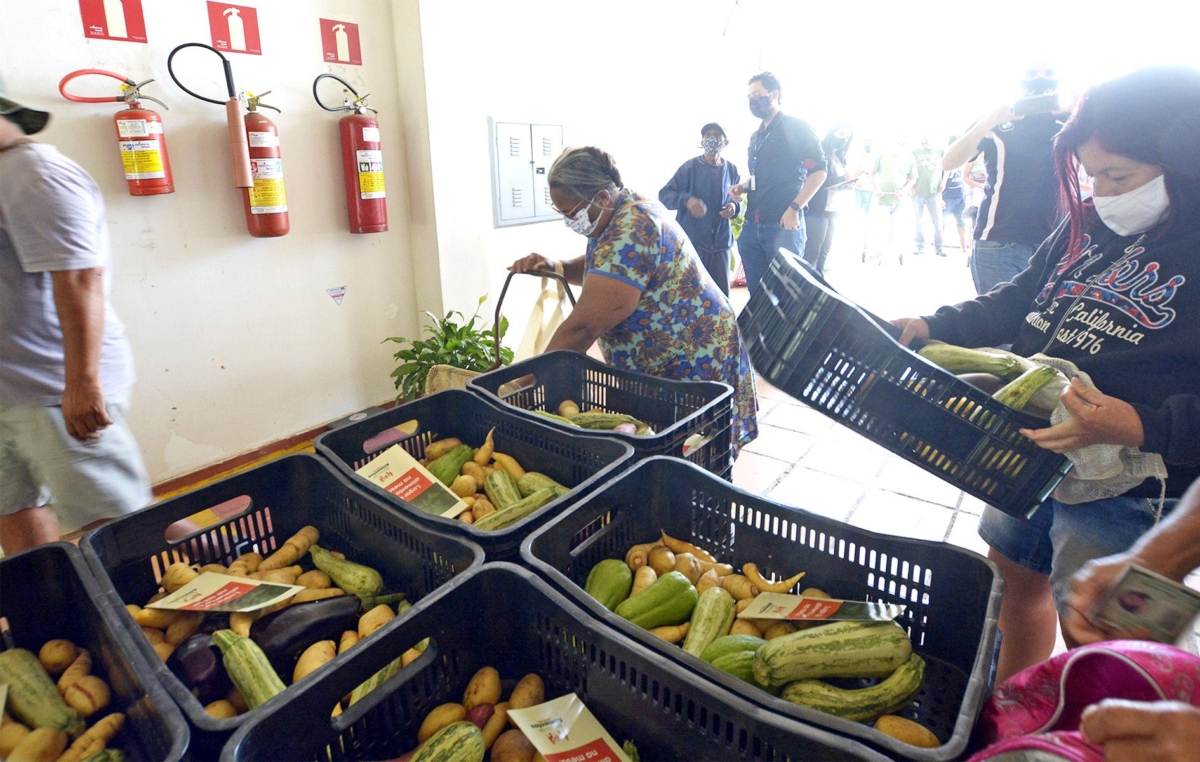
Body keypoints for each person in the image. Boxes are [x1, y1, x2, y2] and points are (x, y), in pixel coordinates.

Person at [890, 66, 1200, 685]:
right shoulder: (1090, 218)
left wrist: (1140, 423)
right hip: (1029, 451)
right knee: (1009, 583)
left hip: (1130, 487)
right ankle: (1010, 709)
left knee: (1104, 638)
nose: (1104, 192)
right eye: (1093, 175)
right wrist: (933, 324)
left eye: (1120, 175)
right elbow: (1021, 298)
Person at [509, 146, 758, 453]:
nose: (569, 221)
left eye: (572, 213)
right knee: (656, 453)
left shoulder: (634, 228)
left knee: (691, 456)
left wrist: (515, 386)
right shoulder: (618, 206)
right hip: (660, 360)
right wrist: (558, 267)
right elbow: (606, 267)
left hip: (691, 359)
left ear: (601, 197)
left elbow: (582, 329)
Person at [0, 79, 151, 554]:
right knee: (14, 511)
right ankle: (55, 613)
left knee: (121, 523)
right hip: (11, 389)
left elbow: (80, 277)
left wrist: (81, 384)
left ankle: (240, 584)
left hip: (54, 386)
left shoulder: (33, 172)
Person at [942, 66, 1064, 293]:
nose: (1040, 78)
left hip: (1058, 241)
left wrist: (1086, 116)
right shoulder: (997, 120)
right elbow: (949, 162)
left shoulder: (1071, 120)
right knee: (998, 324)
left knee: (1046, 324)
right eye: (1032, 72)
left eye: (1049, 72)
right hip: (999, 240)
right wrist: (986, 122)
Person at [729, 72, 827, 292]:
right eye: (749, 97)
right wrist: (743, 187)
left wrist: (795, 208)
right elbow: (759, 177)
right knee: (757, 294)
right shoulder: (756, 137)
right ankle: (757, 329)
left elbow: (819, 172)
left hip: (783, 226)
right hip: (751, 227)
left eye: (757, 94)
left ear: (774, 94)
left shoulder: (797, 127)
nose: (752, 101)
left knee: (786, 295)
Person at [658, 123, 741, 296]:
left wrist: (734, 207)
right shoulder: (689, 168)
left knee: (720, 296)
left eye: (717, 135)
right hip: (693, 243)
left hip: (721, 245)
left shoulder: (732, 170)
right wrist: (687, 200)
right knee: (690, 294)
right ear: (702, 141)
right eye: (708, 135)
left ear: (725, 142)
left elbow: (737, 200)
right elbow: (664, 195)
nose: (712, 139)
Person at [802, 123, 854, 277]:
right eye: (841, 134)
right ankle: (804, 291)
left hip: (833, 211)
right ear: (832, 132)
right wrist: (840, 180)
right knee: (812, 254)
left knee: (823, 255)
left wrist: (848, 184)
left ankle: (817, 289)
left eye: (847, 136)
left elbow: (836, 184)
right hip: (817, 211)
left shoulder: (840, 158)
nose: (844, 138)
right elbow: (817, 181)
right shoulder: (820, 154)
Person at [869, 137, 915, 260]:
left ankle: (898, 251)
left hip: (900, 200)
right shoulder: (882, 156)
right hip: (883, 198)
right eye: (898, 142)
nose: (900, 145)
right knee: (880, 227)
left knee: (898, 227)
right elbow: (872, 174)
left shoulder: (910, 158)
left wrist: (904, 190)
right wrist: (875, 189)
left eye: (902, 143)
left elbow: (913, 178)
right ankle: (878, 251)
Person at [911, 134, 946, 256]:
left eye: (928, 137)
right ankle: (919, 245)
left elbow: (948, 167)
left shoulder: (940, 151)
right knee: (918, 221)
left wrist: (944, 181)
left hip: (934, 192)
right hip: (917, 192)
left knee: (938, 222)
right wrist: (911, 186)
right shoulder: (915, 151)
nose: (926, 140)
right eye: (924, 138)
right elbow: (908, 167)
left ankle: (939, 247)